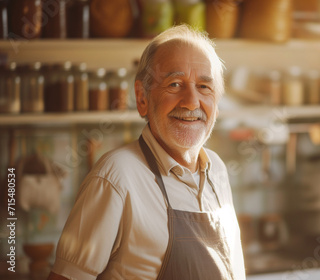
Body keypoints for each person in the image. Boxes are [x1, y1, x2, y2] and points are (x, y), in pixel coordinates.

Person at [48, 25, 246, 280]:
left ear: (216, 104)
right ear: (142, 98)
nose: (192, 102)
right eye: (175, 84)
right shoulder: (116, 176)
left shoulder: (217, 169)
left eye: (205, 87)